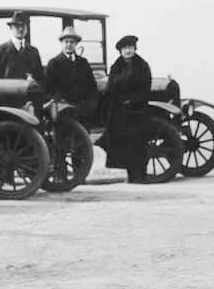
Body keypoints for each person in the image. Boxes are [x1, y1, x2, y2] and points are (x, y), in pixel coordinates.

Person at [100, 34, 153, 183]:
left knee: (139, 144)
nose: (127, 51)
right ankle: (131, 175)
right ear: (120, 51)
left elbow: (145, 87)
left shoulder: (142, 66)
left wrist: (133, 100)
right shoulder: (116, 66)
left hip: (137, 111)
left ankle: (141, 175)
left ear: (134, 49)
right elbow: (111, 87)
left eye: (130, 47)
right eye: (125, 48)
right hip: (120, 111)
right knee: (125, 145)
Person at [44, 24, 100, 117]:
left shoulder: (83, 62)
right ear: (62, 43)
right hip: (64, 110)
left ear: (76, 44)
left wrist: (91, 105)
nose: (69, 45)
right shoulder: (54, 63)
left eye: (72, 42)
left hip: (84, 108)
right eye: (66, 42)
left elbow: (92, 87)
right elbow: (48, 89)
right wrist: (60, 102)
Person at [0, 13, 44, 83]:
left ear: (27, 28)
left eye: (23, 25)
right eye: (17, 25)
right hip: (7, 93)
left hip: (29, 92)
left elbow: (41, 79)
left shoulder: (34, 51)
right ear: (11, 28)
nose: (20, 29)